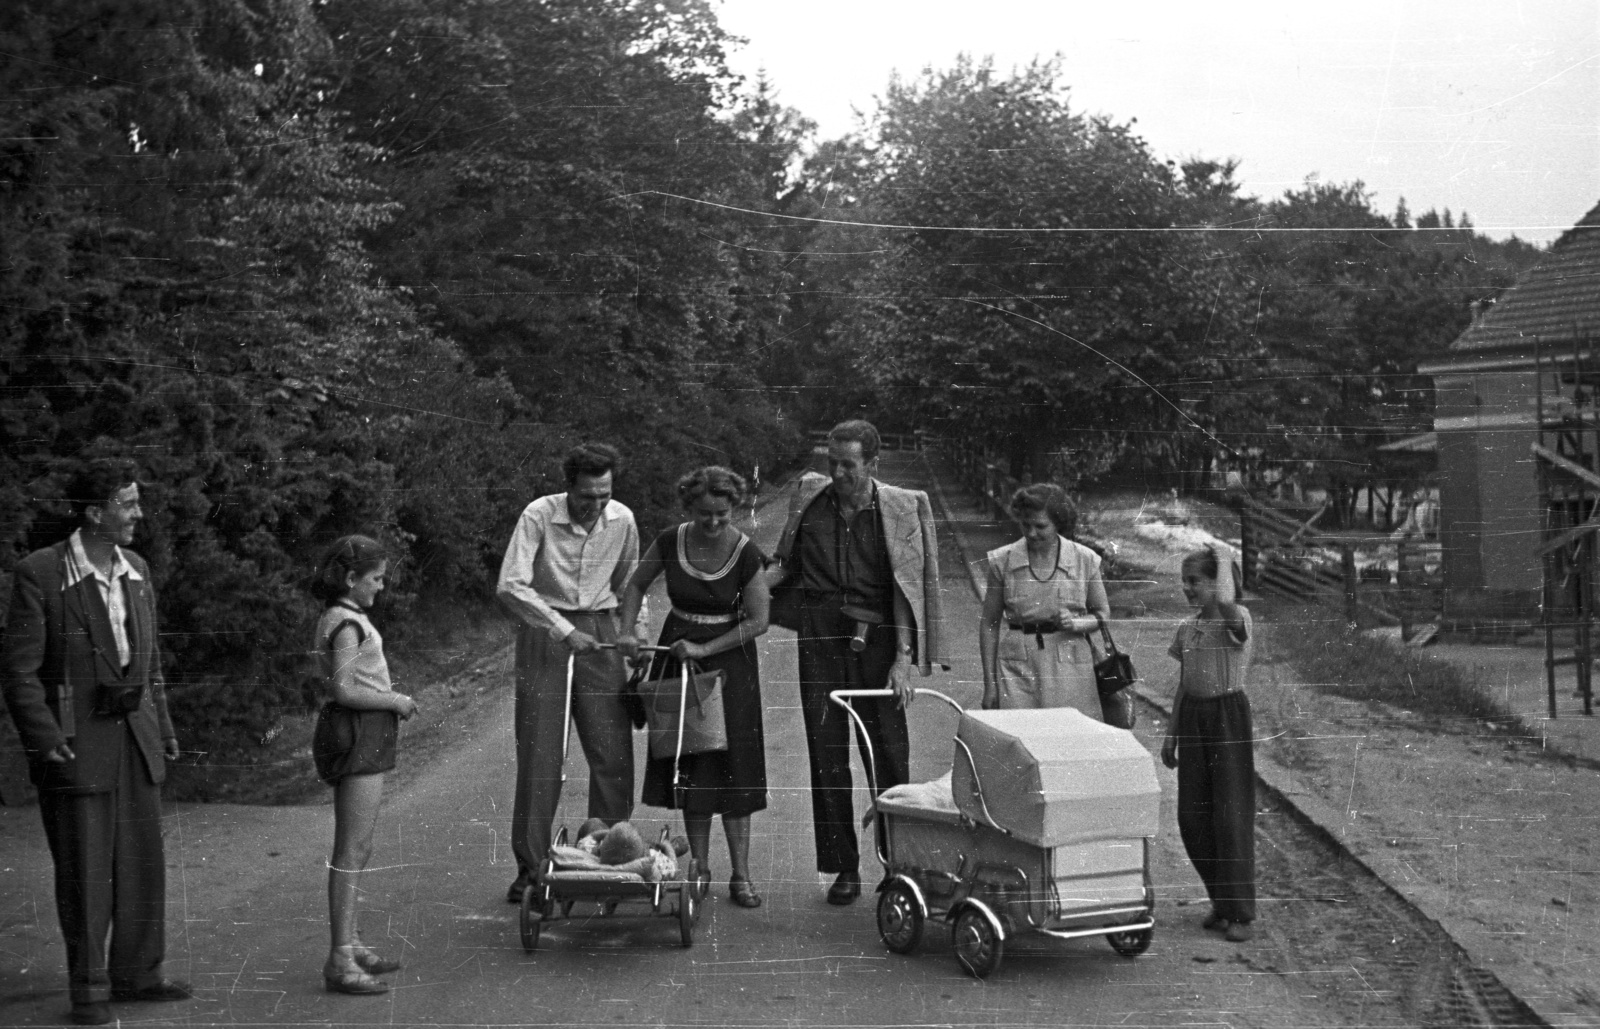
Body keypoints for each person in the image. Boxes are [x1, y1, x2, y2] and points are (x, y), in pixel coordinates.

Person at [0, 458, 191, 1026]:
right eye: (127, 504)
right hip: (75, 742)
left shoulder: (136, 568)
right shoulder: (41, 573)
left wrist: (166, 727)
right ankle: (90, 990)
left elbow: (149, 662)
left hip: (136, 737)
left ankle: (138, 975)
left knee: (141, 862)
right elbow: (19, 671)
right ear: (93, 513)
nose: (138, 513)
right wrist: (44, 735)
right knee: (86, 870)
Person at [766, 419, 946, 905]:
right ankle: (844, 867)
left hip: (880, 642)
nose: (838, 472)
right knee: (826, 756)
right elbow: (784, 564)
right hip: (820, 638)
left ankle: (898, 866)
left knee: (887, 755)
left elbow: (904, 592)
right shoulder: (812, 504)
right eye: (832, 462)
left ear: (872, 464)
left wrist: (902, 661)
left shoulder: (896, 512)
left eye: (848, 464)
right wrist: (735, 594)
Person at [616, 466, 771, 908]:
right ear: (689, 507)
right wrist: (629, 631)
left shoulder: (745, 552)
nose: (715, 522)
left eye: (723, 514)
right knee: (694, 765)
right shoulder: (670, 540)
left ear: (734, 508)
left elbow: (758, 620)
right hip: (676, 658)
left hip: (729, 668)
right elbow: (635, 585)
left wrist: (706, 650)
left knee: (735, 769)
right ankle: (699, 867)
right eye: (705, 513)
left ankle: (741, 875)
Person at [497, 443, 639, 903]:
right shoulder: (539, 515)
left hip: (600, 633)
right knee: (542, 755)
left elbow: (629, 584)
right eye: (586, 497)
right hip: (546, 631)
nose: (596, 506)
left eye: (603, 495)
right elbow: (511, 584)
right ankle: (532, 867)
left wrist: (635, 634)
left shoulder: (623, 519)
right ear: (568, 487)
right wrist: (561, 630)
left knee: (613, 752)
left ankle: (608, 856)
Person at [309, 535, 418, 994]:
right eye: (375, 578)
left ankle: (350, 943)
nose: (380, 587)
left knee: (359, 846)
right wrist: (396, 700)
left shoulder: (348, 617)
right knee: (351, 850)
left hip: (365, 733)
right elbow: (344, 690)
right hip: (356, 732)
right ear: (351, 579)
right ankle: (339, 958)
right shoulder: (346, 624)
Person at [1161, 544, 1256, 943]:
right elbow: (1184, 683)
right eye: (1184, 581)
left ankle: (1239, 912)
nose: (1187, 588)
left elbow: (1230, 610)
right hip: (1194, 719)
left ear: (1217, 584)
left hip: (1227, 718)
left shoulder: (1237, 620)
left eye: (1195, 581)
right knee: (1192, 816)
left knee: (1230, 817)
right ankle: (1220, 898)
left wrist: (1221, 562)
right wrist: (1172, 733)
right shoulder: (1188, 628)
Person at [978, 484, 1111, 713]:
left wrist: (1077, 623)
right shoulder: (1002, 561)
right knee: (1022, 739)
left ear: (1058, 523)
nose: (1031, 533)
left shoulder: (1084, 560)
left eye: (1040, 526)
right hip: (1018, 669)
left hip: (1071, 666)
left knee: (1069, 740)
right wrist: (990, 685)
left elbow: (1102, 614)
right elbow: (989, 624)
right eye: (1025, 524)